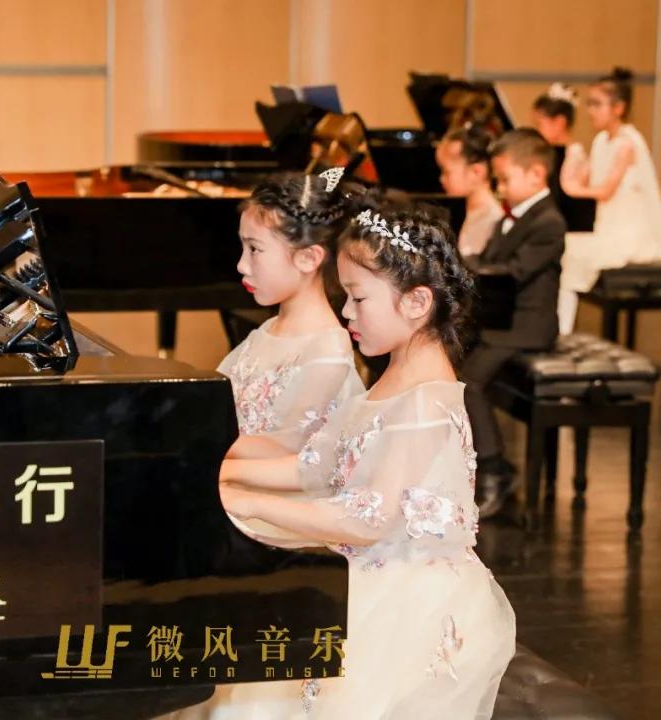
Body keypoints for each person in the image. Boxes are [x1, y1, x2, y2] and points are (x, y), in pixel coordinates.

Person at [165, 203, 516, 719]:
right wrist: (215, 475)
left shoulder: (426, 401)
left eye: (358, 297)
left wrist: (243, 503)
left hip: (405, 595)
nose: (346, 312)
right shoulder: (395, 373)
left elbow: (366, 519)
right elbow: (311, 466)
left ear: (417, 302)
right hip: (360, 565)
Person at [216, 169, 365, 546]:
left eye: (255, 249)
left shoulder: (326, 350)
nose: (242, 264)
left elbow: (285, 448)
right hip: (237, 481)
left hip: (279, 510)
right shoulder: (266, 331)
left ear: (308, 258)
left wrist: (198, 448)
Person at [460, 129, 565, 518]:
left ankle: (495, 469)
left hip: (526, 327)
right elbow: (489, 259)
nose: (499, 188)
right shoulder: (513, 217)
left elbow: (513, 272)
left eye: (504, 179)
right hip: (502, 319)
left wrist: (473, 269)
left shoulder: (549, 222)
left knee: (469, 383)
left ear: (536, 174)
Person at [558, 67, 661, 335]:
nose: (590, 111)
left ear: (618, 108)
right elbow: (585, 176)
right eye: (589, 104)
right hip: (607, 228)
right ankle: (561, 329)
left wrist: (572, 188)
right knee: (561, 248)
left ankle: (563, 331)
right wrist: (572, 158)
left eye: (597, 104)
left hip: (629, 233)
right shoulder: (601, 140)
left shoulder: (628, 144)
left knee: (570, 254)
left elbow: (605, 190)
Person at [435, 124, 502, 258]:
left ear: (477, 172)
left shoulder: (492, 219)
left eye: (447, 172)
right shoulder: (467, 213)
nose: (441, 179)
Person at [532, 81, 587, 192]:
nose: (537, 130)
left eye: (539, 124)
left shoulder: (574, 155)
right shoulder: (552, 153)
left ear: (559, 122)